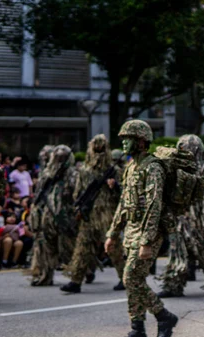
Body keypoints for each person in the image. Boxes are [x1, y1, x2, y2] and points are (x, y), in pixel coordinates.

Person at [104, 120, 178, 337]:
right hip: (131, 231)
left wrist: (147, 240)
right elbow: (123, 204)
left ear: (142, 141)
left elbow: (154, 205)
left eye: (129, 138)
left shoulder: (153, 167)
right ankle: (137, 327)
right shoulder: (130, 167)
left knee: (131, 278)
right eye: (123, 138)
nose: (124, 142)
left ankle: (164, 316)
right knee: (134, 281)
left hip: (149, 233)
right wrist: (112, 233)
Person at [159, 134, 204, 298]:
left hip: (200, 221)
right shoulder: (177, 169)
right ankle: (173, 285)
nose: (185, 149)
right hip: (181, 219)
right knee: (178, 252)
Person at [61, 134, 125, 294]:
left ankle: (125, 278)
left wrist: (115, 186)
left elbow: (124, 192)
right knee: (83, 248)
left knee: (113, 248)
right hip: (92, 215)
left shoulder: (110, 171)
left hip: (106, 216)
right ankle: (75, 280)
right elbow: (78, 195)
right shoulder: (88, 171)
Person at [30, 145, 78, 286]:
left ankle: (80, 274)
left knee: (68, 248)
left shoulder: (73, 174)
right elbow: (39, 195)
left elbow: (76, 194)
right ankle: (46, 275)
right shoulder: (47, 174)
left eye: (62, 157)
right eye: (57, 157)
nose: (59, 159)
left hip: (65, 216)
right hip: (48, 216)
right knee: (47, 247)